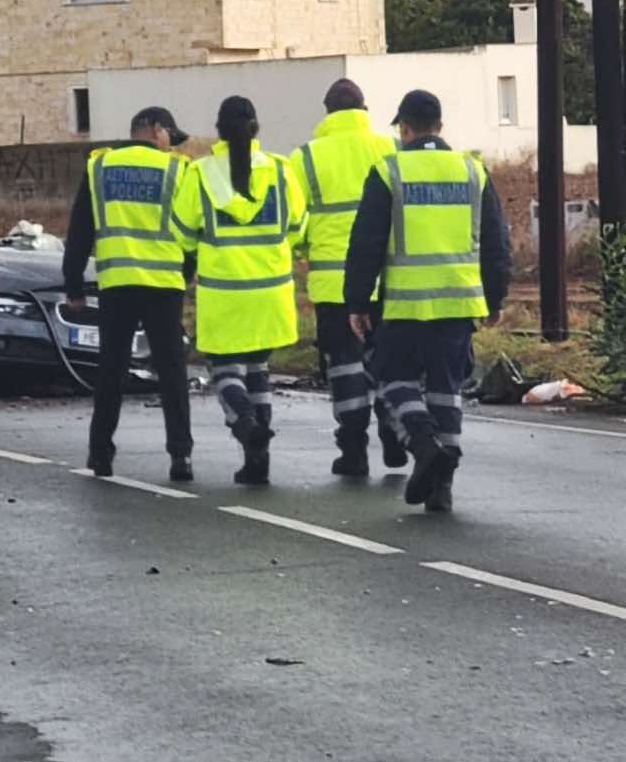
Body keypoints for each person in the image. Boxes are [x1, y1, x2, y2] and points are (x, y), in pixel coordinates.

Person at [344, 90, 511, 512]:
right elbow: (496, 242)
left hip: (406, 305)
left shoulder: (390, 170)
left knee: (393, 378)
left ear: (404, 128)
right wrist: (495, 297)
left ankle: (422, 444)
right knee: (446, 389)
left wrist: (357, 301)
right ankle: (443, 485)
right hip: (457, 305)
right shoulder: (472, 170)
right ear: (440, 126)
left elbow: (366, 241)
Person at [172, 96, 306, 486]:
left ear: (219, 130)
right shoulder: (281, 171)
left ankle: (246, 424)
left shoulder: (200, 173)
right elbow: (297, 226)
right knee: (258, 369)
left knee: (225, 370)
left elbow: (182, 233)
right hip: (271, 294)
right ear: (255, 128)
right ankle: (257, 460)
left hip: (225, 294)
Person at [62, 106, 195, 481]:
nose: (172, 145)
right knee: (171, 372)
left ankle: (100, 454)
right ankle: (180, 457)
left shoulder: (100, 168)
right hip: (164, 286)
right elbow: (191, 232)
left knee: (111, 371)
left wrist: (74, 286)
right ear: (155, 130)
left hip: (117, 284)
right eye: (171, 135)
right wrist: (184, 274)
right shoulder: (179, 171)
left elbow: (80, 232)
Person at [288, 78, 403, 479]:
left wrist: (304, 248)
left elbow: (295, 219)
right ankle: (394, 433)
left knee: (345, 365)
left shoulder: (305, 157)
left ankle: (354, 450)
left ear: (327, 113)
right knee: (387, 361)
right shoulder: (390, 148)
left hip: (334, 282)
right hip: (389, 279)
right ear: (364, 109)